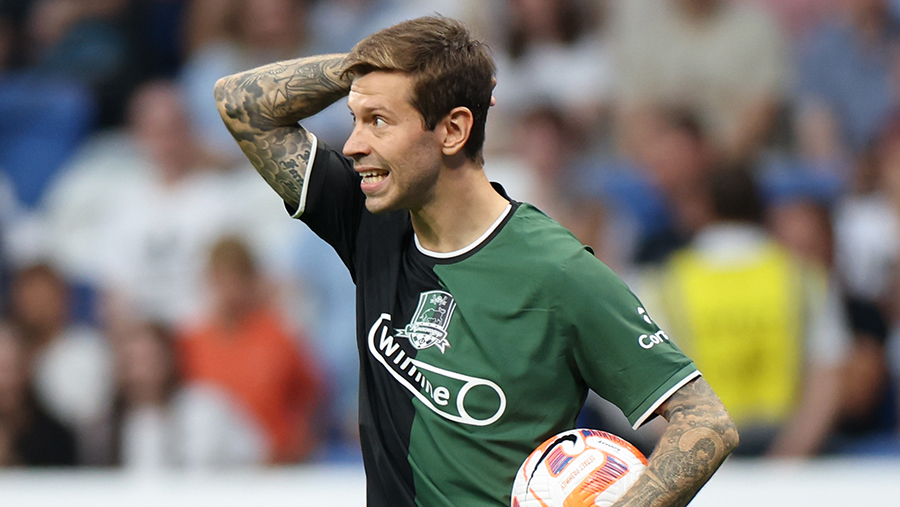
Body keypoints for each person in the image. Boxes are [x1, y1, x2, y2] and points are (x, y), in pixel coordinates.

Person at [215, 16, 738, 506]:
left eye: (378, 121)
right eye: (355, 120)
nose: (352, 145)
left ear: (453, 130)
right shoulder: (370, 219)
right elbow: (239, 102)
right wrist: (361, 68)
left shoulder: (556, 270)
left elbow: (706, 421)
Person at [642, 167, 850, 456]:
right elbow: (827, 379)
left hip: (702, 447)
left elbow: (648, 387)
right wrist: (787, 460)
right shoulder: (803, 277)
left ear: (703, 208)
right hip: (789, 446)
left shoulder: (664, 284)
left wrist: (700, 459)